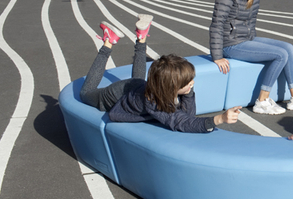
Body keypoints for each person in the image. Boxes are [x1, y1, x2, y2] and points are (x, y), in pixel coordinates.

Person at [80, 16, 240, 132]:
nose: (192, 83)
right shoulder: (154, 103)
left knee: (137, 79)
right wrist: (219, 119)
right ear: (171, 87)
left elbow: (188, 114)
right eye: (187, 82)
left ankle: (141, 36)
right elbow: (181, 122)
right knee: (85, 93)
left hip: (137, 88)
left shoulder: (160, 87)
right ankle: (108, 42)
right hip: (115, 95)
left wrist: (188, 92)